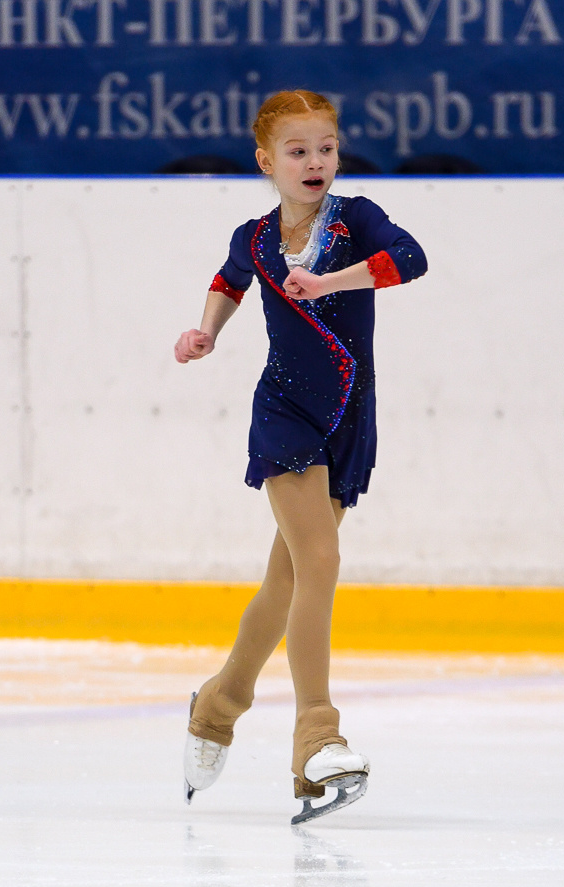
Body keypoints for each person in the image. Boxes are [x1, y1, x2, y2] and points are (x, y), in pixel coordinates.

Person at [174, 89, 428, 823]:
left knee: (285, 582)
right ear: (266, 162)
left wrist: (330, 281)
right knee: (317, 563)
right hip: (285, 412)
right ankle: (317, 737)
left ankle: (218, 705)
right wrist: (207, 332)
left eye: (325, 147)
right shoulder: (254, 236)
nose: (314, 161)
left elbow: (409, 259)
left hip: (348, 418)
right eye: (297, 150)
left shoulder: (355, 222)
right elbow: (229, 279)